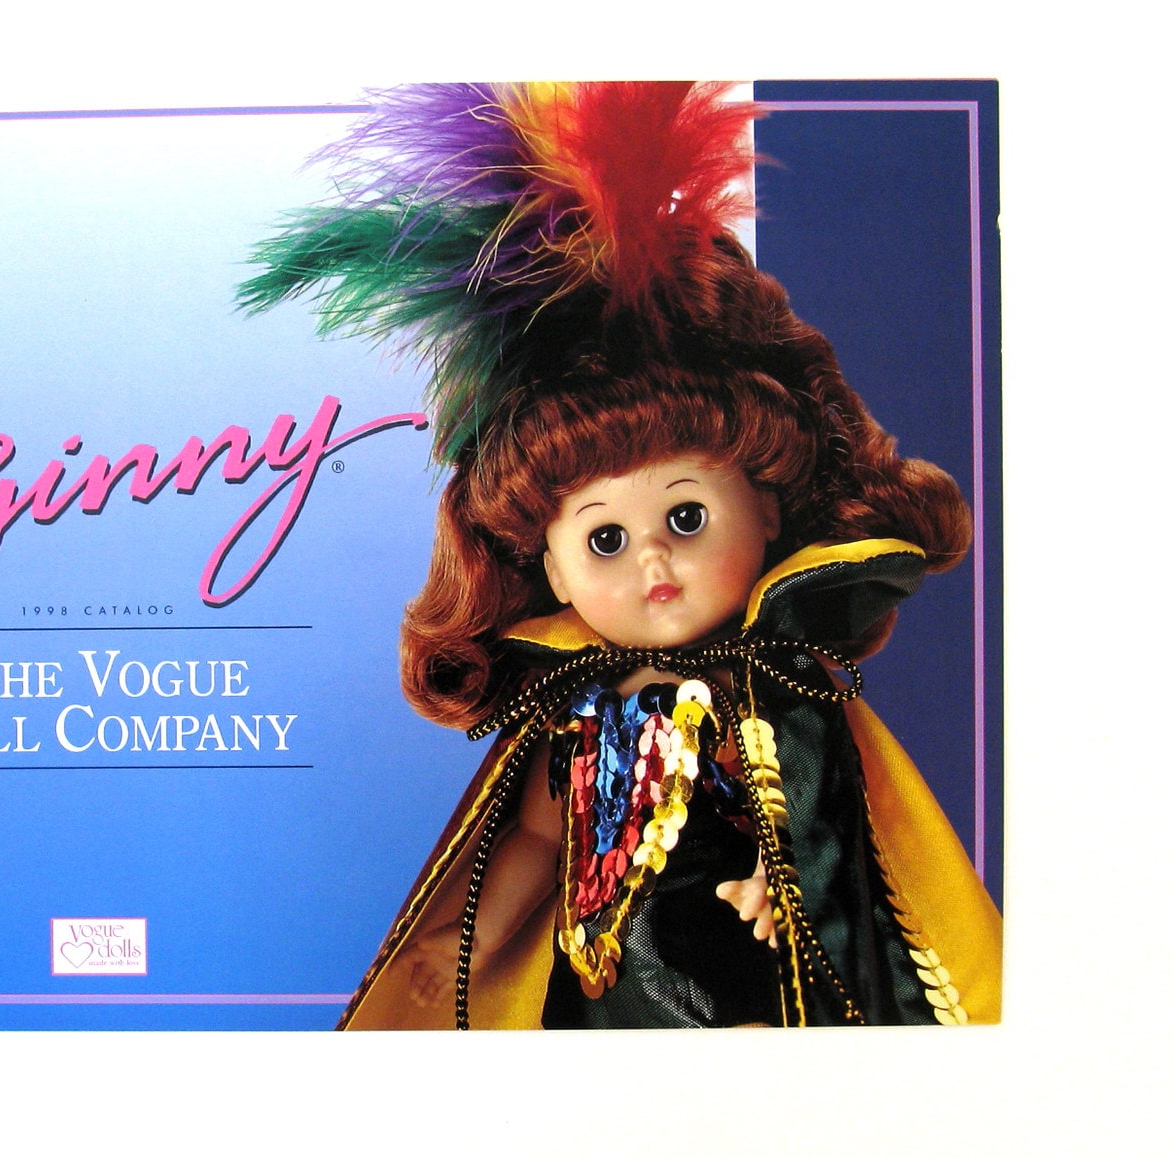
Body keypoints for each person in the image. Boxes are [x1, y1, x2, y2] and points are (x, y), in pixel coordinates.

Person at [241, 81, 1001, 1028]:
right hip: (603, 994)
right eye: (606, 538)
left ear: (765, 506)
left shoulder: (775, 688)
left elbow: (822, 816)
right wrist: (460, 939)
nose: (653, 562)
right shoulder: (573, 708)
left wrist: (785, 881)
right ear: (553, 569)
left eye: (686, 518)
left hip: (742, 973)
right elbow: (534, 840)